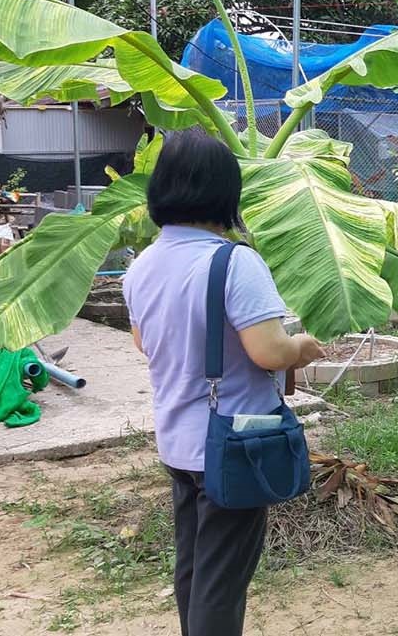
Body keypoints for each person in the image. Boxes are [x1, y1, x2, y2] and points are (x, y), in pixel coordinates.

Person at [123, 129, 322, 636]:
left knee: (193, 569)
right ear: (226, 195)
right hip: (233, 446)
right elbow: (269, 350)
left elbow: (144, 343)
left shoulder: (140, 266)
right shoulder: (233, 261)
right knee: (221, 583)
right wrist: (303, 347)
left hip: (177, 443)